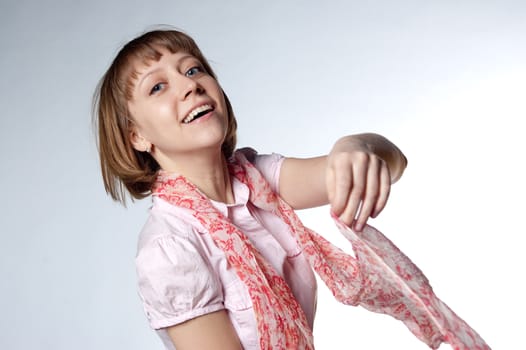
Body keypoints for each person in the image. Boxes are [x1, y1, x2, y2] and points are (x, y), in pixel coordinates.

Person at [93, 28, 489, 350]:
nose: (189, 86)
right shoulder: (169, 248)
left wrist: (354, 146)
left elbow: (392, 162)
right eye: (157, 87)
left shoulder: (257, 179)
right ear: (137, 137)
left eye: (194, 70)